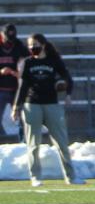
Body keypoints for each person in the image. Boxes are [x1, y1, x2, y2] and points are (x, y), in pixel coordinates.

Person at [12, 33, 81, 187]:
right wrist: (17, 106)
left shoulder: (53, 60)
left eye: (35, 44)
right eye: (30, 45)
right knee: (33, 144)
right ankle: (35, 177)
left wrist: (68, 94)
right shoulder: (28, 63)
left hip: (52, 104)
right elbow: (23, 86)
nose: (32, 48)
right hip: (32, 105)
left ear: (43, 45)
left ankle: (71, 177)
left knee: (62, 142)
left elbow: (67, 78)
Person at [0, 23, 23, 144]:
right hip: (1, 89)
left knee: (23, 118)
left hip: (16, 89)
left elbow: (28, 61)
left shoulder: (18, 45)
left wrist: (18, 71)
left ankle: (24, 140)